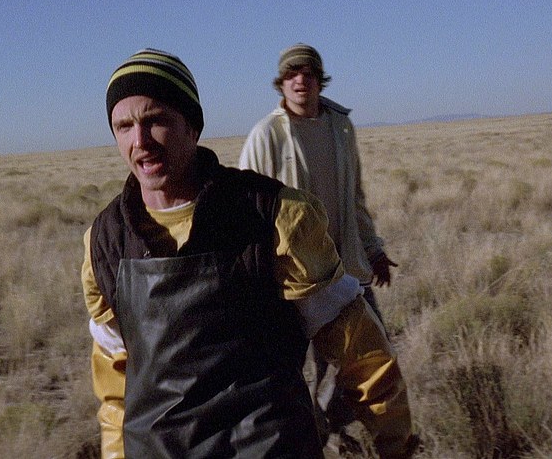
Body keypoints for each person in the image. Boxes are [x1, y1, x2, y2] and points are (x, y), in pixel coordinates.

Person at [82, 48, 415, 458]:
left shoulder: (276, 218)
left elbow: (359, 350)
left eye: (156, 120)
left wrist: (395, 440)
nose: (140, 141)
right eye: (124, 126)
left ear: (191, 126)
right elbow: (115, 384)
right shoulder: (104, 242)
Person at [239, 43, 399, 444]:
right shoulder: (265, 135)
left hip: (345, 271)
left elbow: (354, 198)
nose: (300, 80)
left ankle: (331, 425)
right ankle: (311, 438)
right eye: (291, 73)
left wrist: (373, 249)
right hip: (292, 279)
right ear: (281, 82)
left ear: (319, 80)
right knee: (288, 374)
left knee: (369, 357)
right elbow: (244, 211)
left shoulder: (340, 128)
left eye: (308, 73)